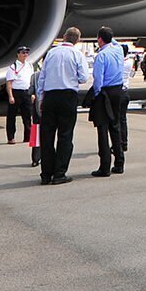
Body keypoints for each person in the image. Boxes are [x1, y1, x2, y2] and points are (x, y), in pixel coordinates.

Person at [35, 28, 90, 185]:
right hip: (68, 95)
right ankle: (59, 173)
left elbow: (42, 78)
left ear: (64, 37)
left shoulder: (51, 53)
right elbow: (84, 77)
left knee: (47, 136)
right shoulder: (77, 54)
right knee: (65, 136)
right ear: (77, 40)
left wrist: (41, 98)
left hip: (50, 96)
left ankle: (46, 174)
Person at [88, 28, 129, 178]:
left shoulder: (102, 56)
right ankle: (119, 163)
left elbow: (98, 80)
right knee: (115, 126)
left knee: (102, 129)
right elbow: (113, 41)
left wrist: (96, 94)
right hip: (118, 91)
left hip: (105, 92)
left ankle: (105, 166)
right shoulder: (118, 50)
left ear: (100, 39)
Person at [2, 47, 36, 148]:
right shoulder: (13, 67)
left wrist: (33, 93)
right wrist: (10, 96)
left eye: (26, 52)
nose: (25, 54)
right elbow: (9, 83)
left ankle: (27, 136)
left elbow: (32, 80)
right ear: (18, 54)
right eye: (23, 52)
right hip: (16, 92)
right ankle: (11, 137)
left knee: (27, 115)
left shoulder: (29, 65)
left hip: (27, 92)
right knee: (11, 116)